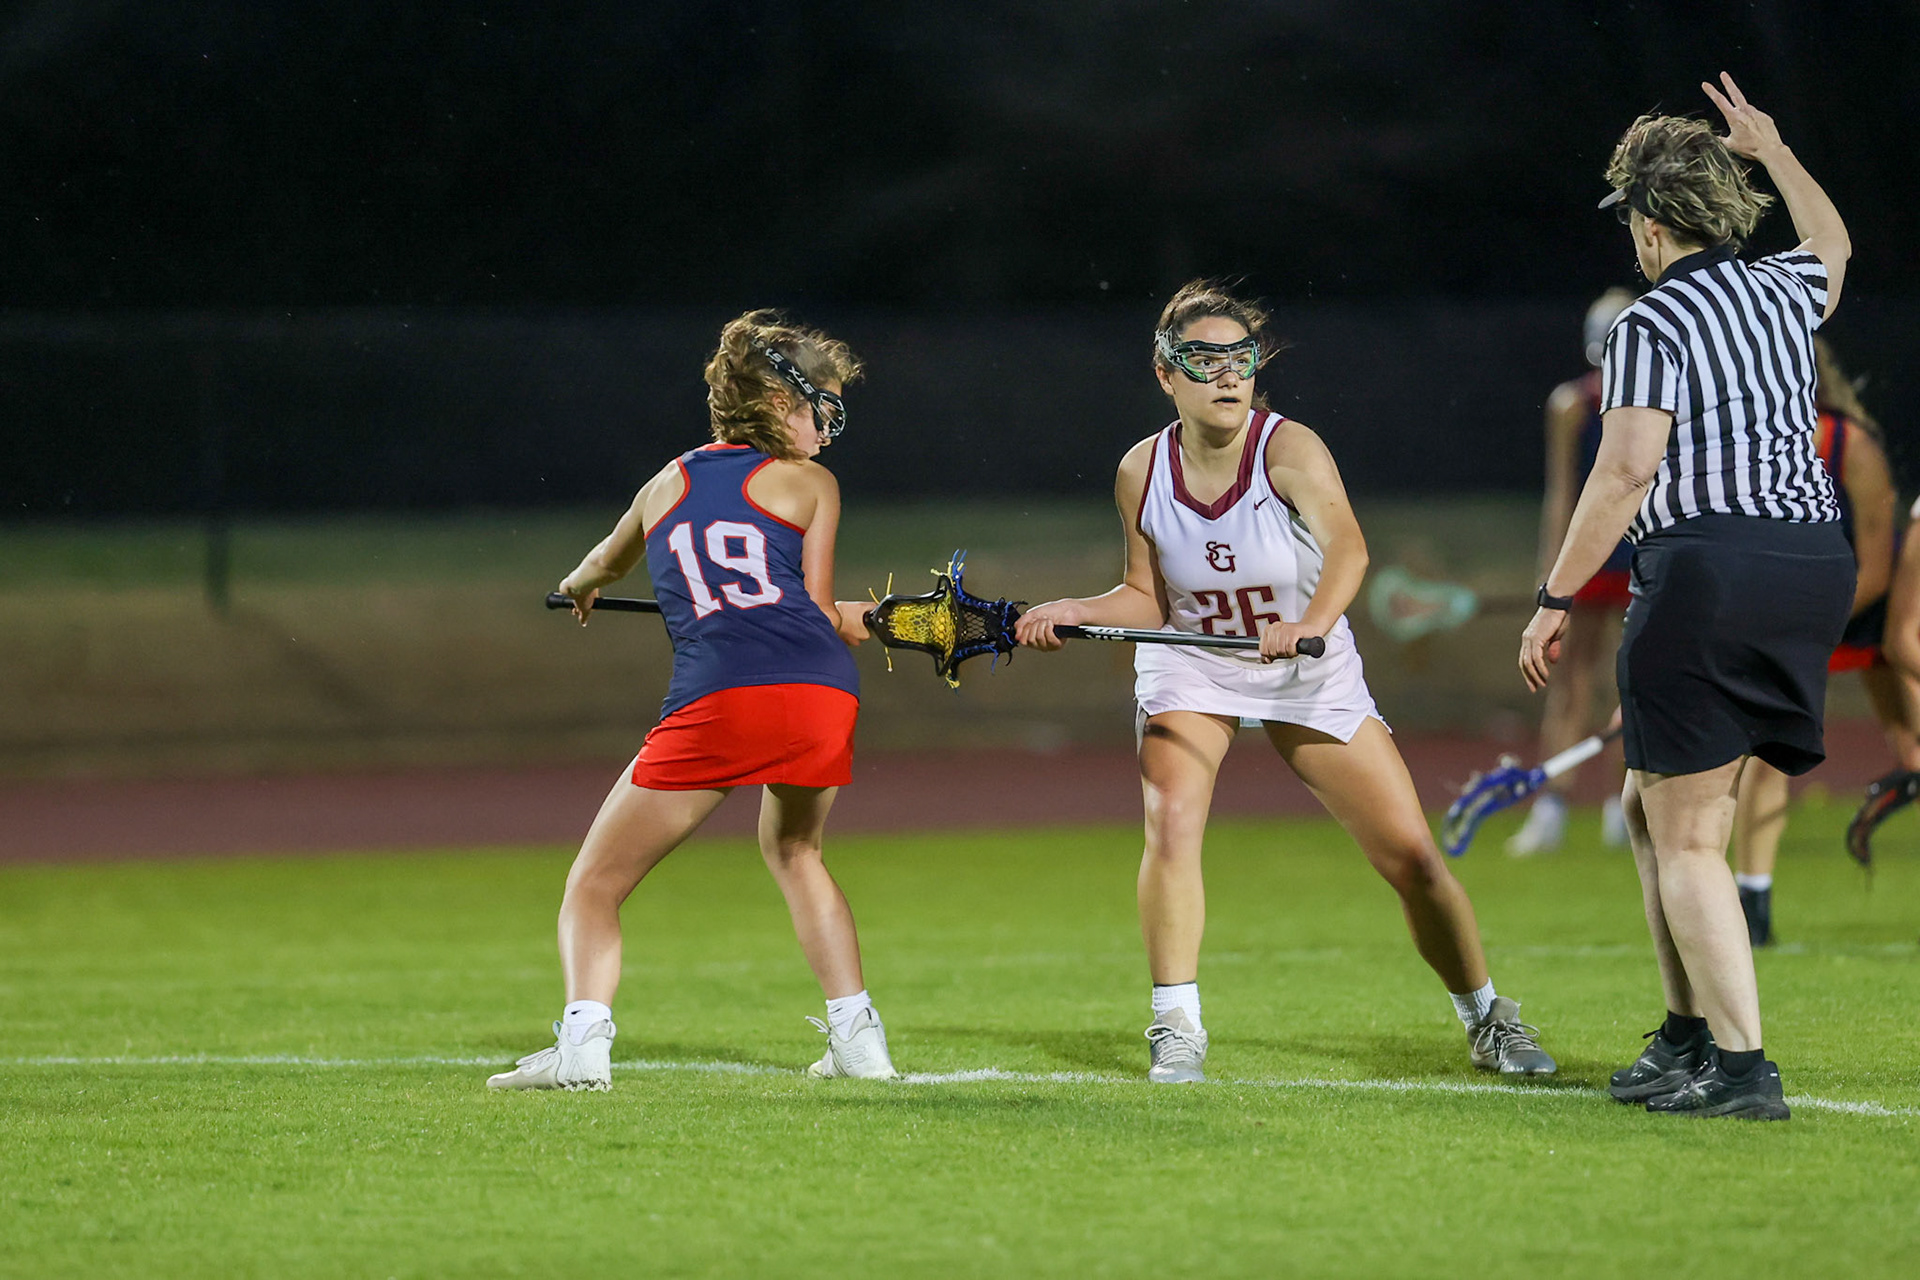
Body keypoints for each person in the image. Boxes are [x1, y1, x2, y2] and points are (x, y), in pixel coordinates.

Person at [1016, 279, 1557, 1085]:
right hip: (1191, 660)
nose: (1229, 374)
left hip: (1306, 668)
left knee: (1411, 858)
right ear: (1166, 374)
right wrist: (1073, 608)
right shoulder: (1141, 469)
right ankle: (1176, 1025)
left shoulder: (1289, 447)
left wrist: (1310, 623)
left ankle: (1487, 1018)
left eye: (1241, 359)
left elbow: (1348, 550)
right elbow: (1146, 595)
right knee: (1170, 823)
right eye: (1204, 360)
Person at [1520, 74, 1854, 1120]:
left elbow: (1622, 475)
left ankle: (1742, 1067)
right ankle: (1684, 1034)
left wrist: (1553, 595)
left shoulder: (1648, 324)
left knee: (1693, 827)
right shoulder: (1781, 289)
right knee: (1647, 798)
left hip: (1712, 565)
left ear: (1653, 224)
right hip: (1811, 565)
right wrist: (1775, 146)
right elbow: (1836, 246)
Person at [488, 309, 899, 1090]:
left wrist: (576, 588)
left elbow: (602, 566)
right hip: (821, 692)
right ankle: (859, 1041)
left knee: (595, 885)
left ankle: (582, 1047)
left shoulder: (666, 482)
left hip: (721, 698)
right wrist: (872, 622)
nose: (830, 425)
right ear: (781, 402)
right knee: (797, 851)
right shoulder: (813, 484)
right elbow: (812, 613)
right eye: (825, 406)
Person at [1730, 339, 1904, 943]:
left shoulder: (1848, 444)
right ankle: (1752, 909)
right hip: (1794, 620)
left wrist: (1803, 623)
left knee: (1914, 755)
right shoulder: (1744, 444)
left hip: (1877, 618)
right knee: (1768, 752)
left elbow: (1878, 570)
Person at [1507, 289, 1639, 855]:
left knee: (1629, 684)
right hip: (1590, 559)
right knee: (1572, 682)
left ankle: (1621, 808)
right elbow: (1563, 494)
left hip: (1638, 555)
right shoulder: (1573, 405)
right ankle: (1554, 807)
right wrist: (1553, 574)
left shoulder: (1651, 404)